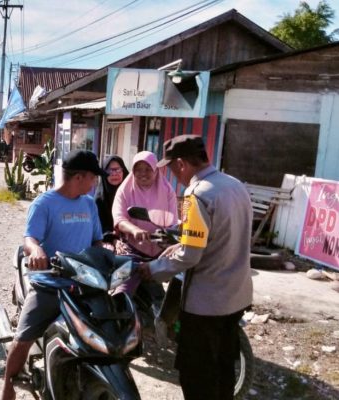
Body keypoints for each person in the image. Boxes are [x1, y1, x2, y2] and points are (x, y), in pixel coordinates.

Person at [137, 135, 253, 400]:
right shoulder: (234, 185)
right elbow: (216, 239)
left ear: (181, 164)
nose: (174, 175)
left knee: (197, 376)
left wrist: (153, 268)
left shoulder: (195, 195)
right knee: (223, 370)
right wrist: (177, 247)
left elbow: (190, 256)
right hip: (235, 298)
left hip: (206, 304)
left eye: (171, 168)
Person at [1, 150, 105, 400]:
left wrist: (107, 255)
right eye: (93, 177)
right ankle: (7, 385)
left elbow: (97, 241)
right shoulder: (44, 203)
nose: (95, 183)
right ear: (79, 177)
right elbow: (29, 238)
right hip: (50, 283)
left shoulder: (89, 203)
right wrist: (36, 249)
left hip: (83, 284)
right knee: (24, 336)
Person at [112, 150, 178, 258]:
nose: (143, 173)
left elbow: (173, 223)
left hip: (163, 251)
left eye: (148, 169)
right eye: (138, 170)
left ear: (155, 170)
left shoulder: (167, 191)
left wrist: (165, 236)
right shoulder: (124, 190)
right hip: (132, 250)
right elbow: (119, 219)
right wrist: (134, 230)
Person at [94, 155, 129, 237]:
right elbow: (98, 228)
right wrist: (113, 239)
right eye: (109, 170)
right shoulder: (99, 199)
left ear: (123, 171)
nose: (114, 174)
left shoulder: (131, 193)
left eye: (117, 169)